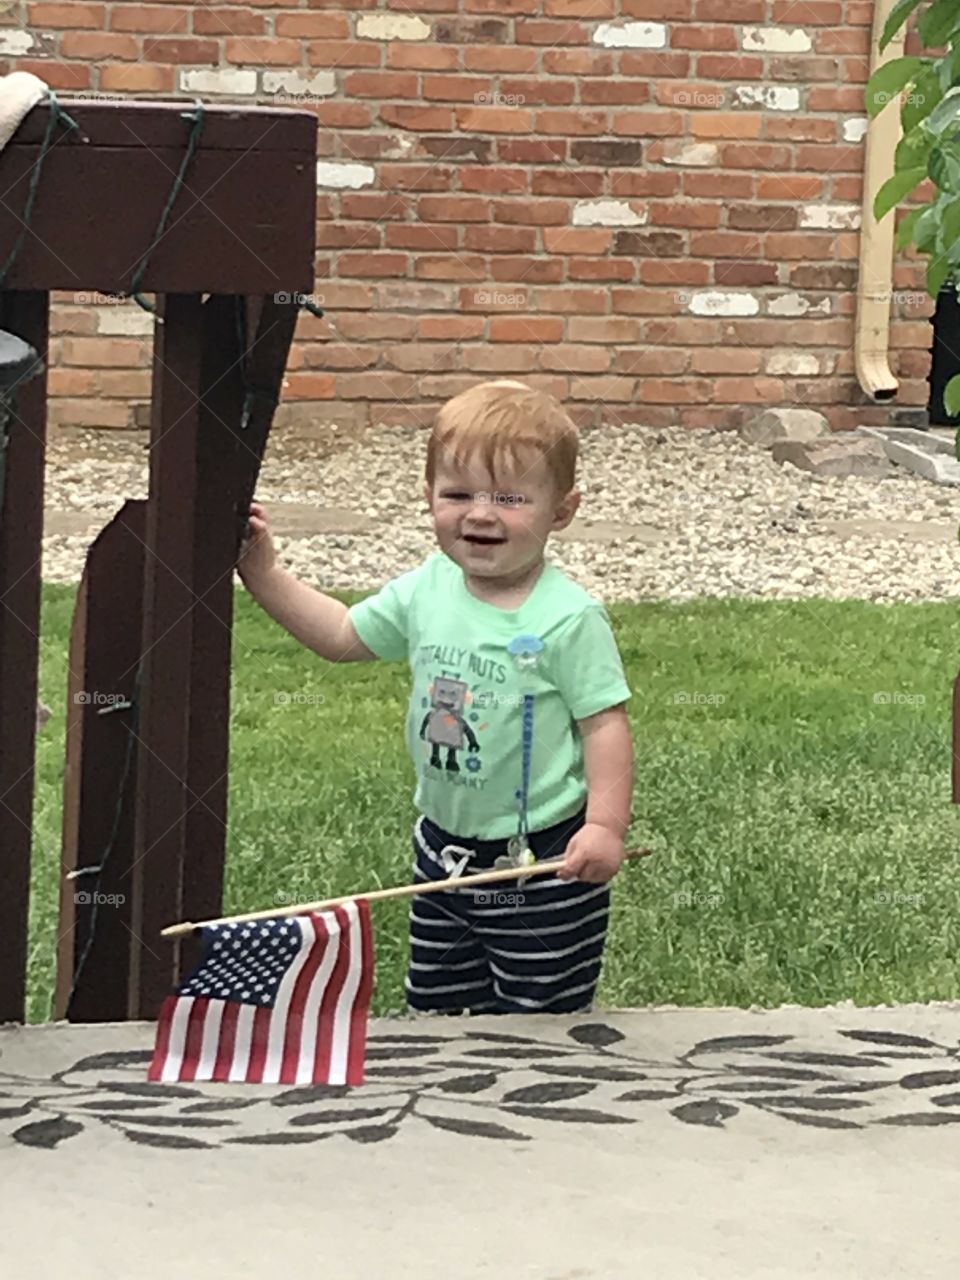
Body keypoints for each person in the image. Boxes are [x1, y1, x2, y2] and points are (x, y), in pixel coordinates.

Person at [238, 379, 633, 1014]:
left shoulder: (568, 618)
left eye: (509, 498)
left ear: (562, 510)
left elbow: (603, 724)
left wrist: (605, 827)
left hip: (542, 862)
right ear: (429, 498)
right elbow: (342, 636)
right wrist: (265, 575)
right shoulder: (428, 588)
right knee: (438, 1011)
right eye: (458, 494)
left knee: (542, 1018)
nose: (480, 514)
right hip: (442, 850)